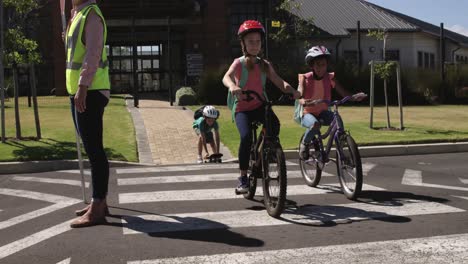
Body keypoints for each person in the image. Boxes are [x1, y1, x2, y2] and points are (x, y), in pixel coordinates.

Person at [222, 20, 301, 194]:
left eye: (257, 41)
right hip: (242, 108)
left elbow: (279, 82)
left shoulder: (265, 64)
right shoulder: (239, 63)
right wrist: (233, 87)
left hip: (259, 104)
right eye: (250, 41)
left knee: (275, 124)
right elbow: (226, 77)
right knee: (245, 138)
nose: (254, 45)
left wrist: (293, 91)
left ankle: (268, 152)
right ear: (243, 43)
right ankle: (243, 177)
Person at [65, 0, 110, 228]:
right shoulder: (77, 15)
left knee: (94, 151)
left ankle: (97, 206)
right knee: (93, 148)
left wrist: (82, 86)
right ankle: (100, 202)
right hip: (81, 91)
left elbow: (93, 53)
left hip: (89, 91)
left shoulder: (91, 15)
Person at [297, 46, 365, 160]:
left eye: (323, 64)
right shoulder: (306, 78)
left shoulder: (329, 78)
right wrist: (303, 101)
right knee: (315, 125)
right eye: (318, 64)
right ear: (312, 65)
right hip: (307, 113)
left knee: (337, 119)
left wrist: (353, 97)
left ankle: (341, 144)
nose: (321, 68)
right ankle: (305, 144)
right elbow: (299, 95)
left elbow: (342, 92)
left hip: (323, 112)